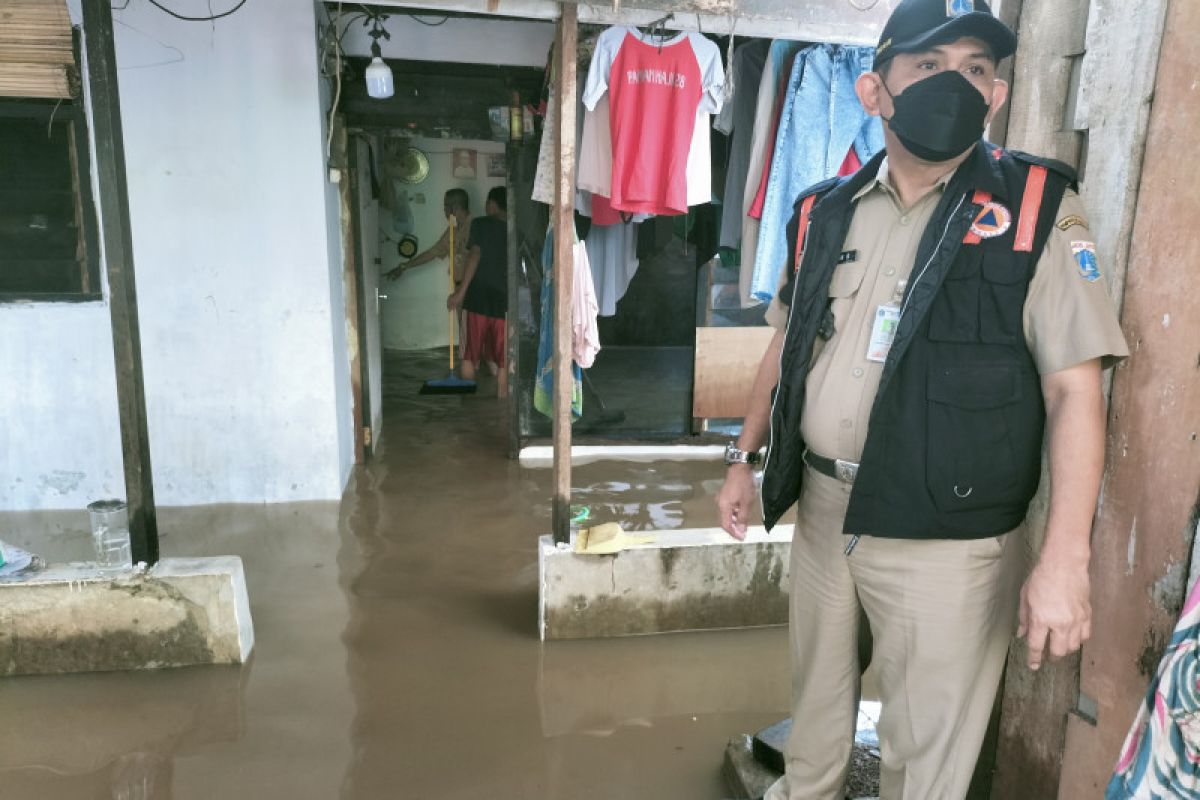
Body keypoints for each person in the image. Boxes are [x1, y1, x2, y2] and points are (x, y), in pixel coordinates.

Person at [715, 1, 1129, 798]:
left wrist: (1065, 558)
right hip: (826, 509)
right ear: (875, 90)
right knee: (815, 728)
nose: (959, 85)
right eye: (930, 67)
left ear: (998, 96)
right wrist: (743, 458)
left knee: (925, 762)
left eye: (978, 70)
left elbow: (1076, 390)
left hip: (949, 542)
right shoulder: (821, 209)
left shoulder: (1036, 210)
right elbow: (786, 345)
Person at [448, 186, 508, 398]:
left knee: (469, 356)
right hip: (504, 303)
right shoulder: (514, 230)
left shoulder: (480, 224)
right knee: (503, 361)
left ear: (492, 204)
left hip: (477, 301)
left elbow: (475, 255)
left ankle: (468, 412)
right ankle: (502, 410)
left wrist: (460, 292)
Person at [384, 188, 471, 283]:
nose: (444, 212)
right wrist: (403, 266)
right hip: (459, 286)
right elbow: (432, 252)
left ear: (455, 208)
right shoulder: (453, 229)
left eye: (445, 207)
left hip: (473, 286)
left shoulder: (476, 228)